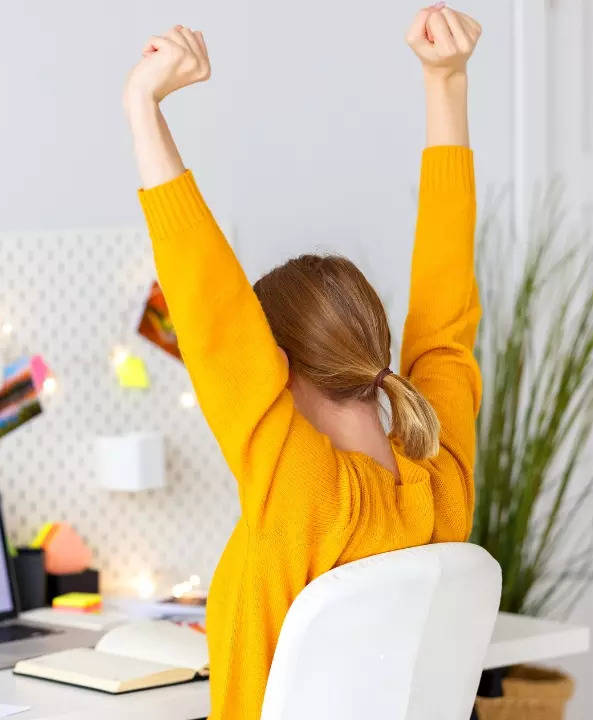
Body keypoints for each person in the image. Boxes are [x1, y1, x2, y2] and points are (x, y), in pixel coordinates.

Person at [123, 5, 483, 718]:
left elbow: (212, 311)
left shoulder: (300, 490)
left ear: (275, 364)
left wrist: (142, 103)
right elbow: (447, 319)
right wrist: (447, 84)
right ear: (373, 344)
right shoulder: (443, 480)